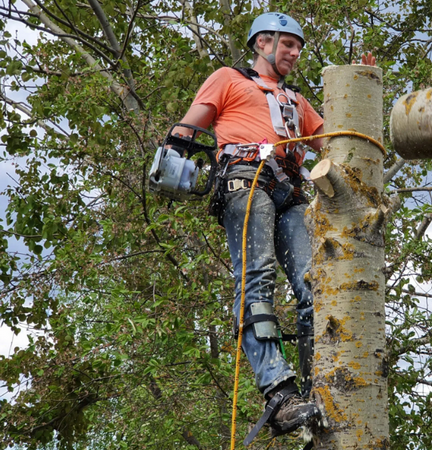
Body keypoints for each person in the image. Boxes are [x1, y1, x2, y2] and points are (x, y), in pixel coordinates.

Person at [171, 12, 376, 441]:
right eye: (288, 45)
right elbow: (189, 126)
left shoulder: (296, 103)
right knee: (257, 280)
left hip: (290, 192)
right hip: (245, 180)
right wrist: (172, 155)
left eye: (298, 47)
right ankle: (280, 395)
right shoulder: (228, 79)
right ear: (263, 42)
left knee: (314, 283)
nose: (295, 53)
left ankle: (315, 390)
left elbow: (339, 144)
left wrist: (362, 82)